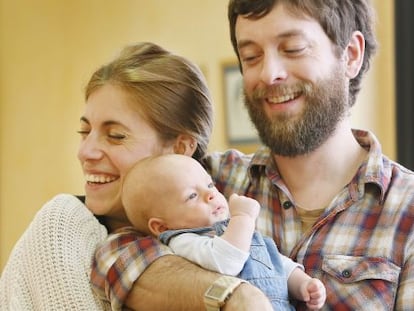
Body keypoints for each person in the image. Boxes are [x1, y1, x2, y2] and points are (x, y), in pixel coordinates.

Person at [89, 1, 414, 310]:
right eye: (251, 56)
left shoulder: (406, 209)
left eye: (293, 49)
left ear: (351, 55)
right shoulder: (205, 179)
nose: (269, 74)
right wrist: (232, 296)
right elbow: (113, 253)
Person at [0, 41, 218, 310]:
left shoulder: (211, 233)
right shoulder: (63, 223)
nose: (85, 152)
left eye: (115, 136)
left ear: (179, 148)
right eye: (84, 132)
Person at [95, 153, 326, 310]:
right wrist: (243, 218)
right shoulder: (183, 242)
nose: (211, 195)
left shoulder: (234, 230)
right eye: (192, 196)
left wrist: (303, 284)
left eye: (209, 185)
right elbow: (226, 262)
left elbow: (276, 265)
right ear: (162, 226)